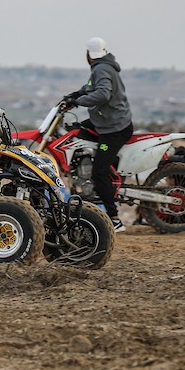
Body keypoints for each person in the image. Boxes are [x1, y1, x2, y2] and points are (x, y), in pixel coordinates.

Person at [65, 37, 133, 232]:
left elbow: (103, 93)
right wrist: (75, 95)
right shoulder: (102, 68)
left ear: (89, 53)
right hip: (106, 123)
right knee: (77, 129)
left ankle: (114, 218)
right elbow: (90, 87)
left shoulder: (101, 69)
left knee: (99, 172)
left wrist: (78, 102)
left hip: (113, 129)